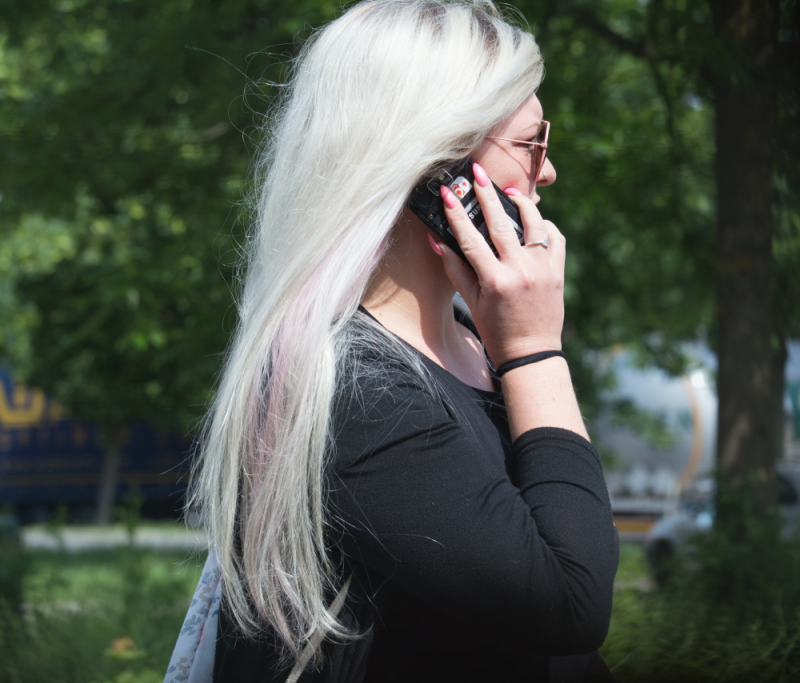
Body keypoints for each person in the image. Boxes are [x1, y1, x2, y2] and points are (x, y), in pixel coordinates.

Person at [186, 1, 619, 681]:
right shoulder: (356, 390)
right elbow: (570, 605)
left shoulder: (476, 342)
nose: (549, 171)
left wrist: (518, 349)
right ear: (437, 167)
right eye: (532, 143)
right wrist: (538, 351)